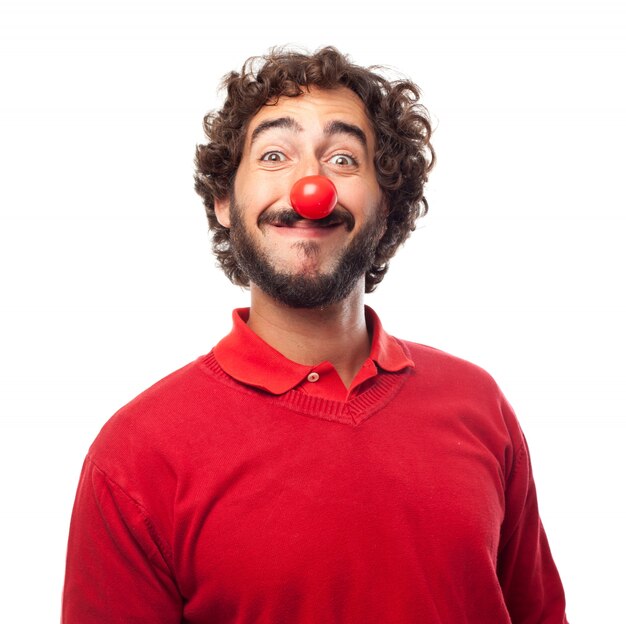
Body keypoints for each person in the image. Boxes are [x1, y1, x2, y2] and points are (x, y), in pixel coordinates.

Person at [62, 47, 568, 623]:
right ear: (225, 201)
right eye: (275, 154)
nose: (311, 186)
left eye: (345, 160)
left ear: (387, 204)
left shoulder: (480, 405)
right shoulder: (134, 456)